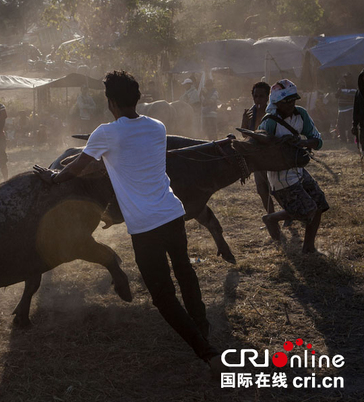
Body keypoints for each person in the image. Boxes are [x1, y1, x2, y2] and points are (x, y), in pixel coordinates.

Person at [33, 70, 224, 374]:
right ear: (137, 98)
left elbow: (81, 166)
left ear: (111, 102)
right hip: (172, 213)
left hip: (145, 226)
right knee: (185, 271)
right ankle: (202, 326)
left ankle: (207, 352)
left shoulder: (106, 133)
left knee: (162, 296)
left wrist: (54, 175)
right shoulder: (158, 127)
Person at [258, 79, 329, 254]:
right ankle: (272, 218)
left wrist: (302, 142)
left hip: (298, 169)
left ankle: (308, 247)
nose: (291, 104)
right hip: (279, 175)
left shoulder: (301, 114)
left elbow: (317, 141)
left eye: (293, 100)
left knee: (320, 203)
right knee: (307, 210)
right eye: (286, 101)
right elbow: (259, 149)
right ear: (276, 102)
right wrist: (279, 144)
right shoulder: (269, 122)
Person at [241, 81, 274, 214]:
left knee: (277, 189)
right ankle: (272, 217)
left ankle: (287, 215)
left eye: (261, 96)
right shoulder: (250, 113)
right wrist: (244, 122)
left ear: (268, 97)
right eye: (255, 96)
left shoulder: (273, 112)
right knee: (262, 190)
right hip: (258, 157)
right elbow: (244, 134)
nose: (258, 99)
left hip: (272, 156)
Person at [335, 73, 356, 143]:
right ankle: (342, 138)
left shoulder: (354, 88)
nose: (346, 80)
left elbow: (351, 96)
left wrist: (343, 94)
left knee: (349, 124)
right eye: (345, 78)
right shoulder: (341, 88)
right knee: (340, 124)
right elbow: (336, 96)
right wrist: (340, 89)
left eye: (348, 78)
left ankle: (350, 139)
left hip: (349, 108)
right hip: (341, 109)